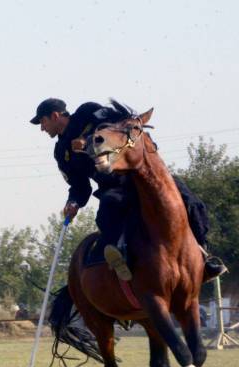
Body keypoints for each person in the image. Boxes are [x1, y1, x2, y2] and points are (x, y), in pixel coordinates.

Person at [31, 97, 225, 282]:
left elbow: (119, 126)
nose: (42, 128)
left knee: (192, 203)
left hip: (141, 173)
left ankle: (204, 256)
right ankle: (123, 260)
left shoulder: (87, 111)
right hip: (113, 187)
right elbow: (79, 185)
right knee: (106, 215)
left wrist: (88, 140)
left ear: (55, 116)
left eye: (42, 122)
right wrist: (73, 202)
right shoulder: (60, 152)